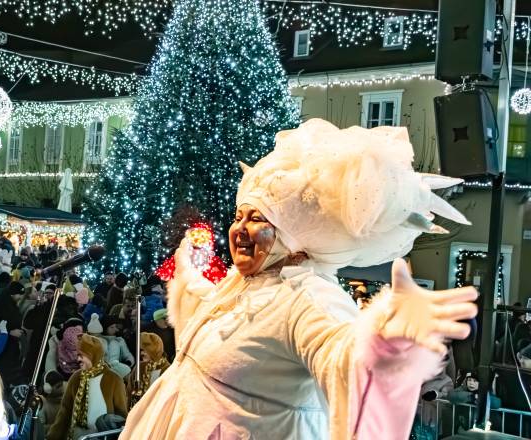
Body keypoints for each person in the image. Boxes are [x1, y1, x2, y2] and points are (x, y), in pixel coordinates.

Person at [121, 119, 479, 439]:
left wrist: (386, 339)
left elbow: (342, 354)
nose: (240, 230)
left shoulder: (307, 296)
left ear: (292, 236)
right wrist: (188, 270)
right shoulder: (245, 284)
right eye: (238, 215)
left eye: (258, 219)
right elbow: (210, 316)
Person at [46, 334, 127, 440]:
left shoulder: (113, 379)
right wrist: (53, 437)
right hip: (78, 435)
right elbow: (65, 411)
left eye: (81, 355)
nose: (78, 359)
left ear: (92, 355)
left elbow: (121, 414)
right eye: (77, 355)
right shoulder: (76, 377)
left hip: (103, 436)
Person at [127, 332, 170, 402]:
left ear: (154, 350)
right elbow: (129, 392)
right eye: (141, 350)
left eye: (145, 351)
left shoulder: (169, 370)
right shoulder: (139, 367)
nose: (142, 353)